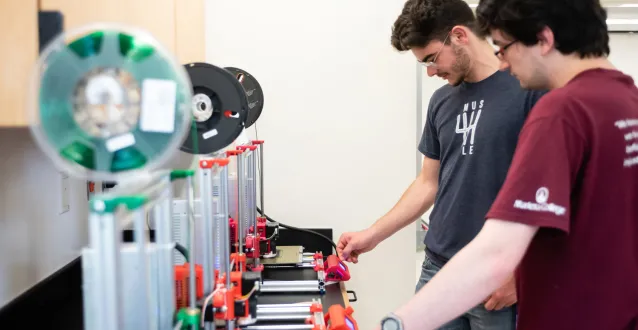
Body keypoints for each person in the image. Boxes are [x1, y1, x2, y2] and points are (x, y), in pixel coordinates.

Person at [375, 0, 638, 329]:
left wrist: (399, 322)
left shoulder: (560, 112)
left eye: (502, 46)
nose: (502, 63)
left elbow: (496, 250)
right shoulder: (628, 101)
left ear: (543, 39)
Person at [336, 0, 545, 329]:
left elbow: (556, 193)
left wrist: (523, 273)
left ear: (460, 35)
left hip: (495, 276)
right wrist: (372, 235)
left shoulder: (528, 90)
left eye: (432, 59)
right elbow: (428, 183)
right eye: (425, 65)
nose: (432, 72)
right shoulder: (442, 101)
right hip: (438, 270)